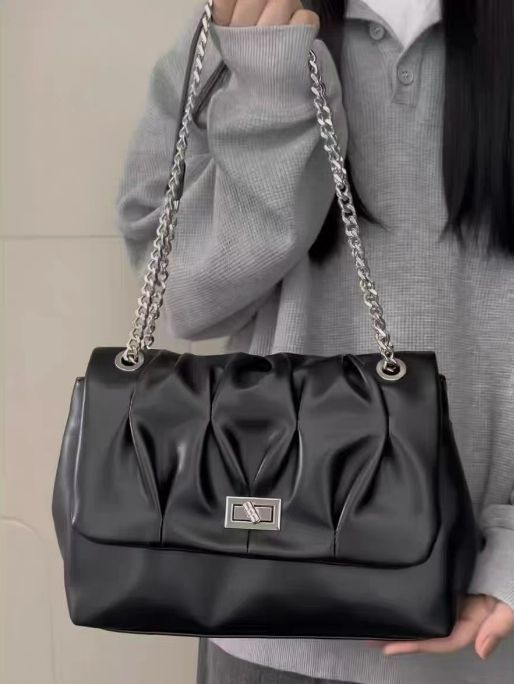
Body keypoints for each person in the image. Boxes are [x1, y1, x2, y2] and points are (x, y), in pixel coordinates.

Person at [116, 1, 514, 682]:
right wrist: (272, 97)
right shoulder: (242, 23)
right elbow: (183, 296)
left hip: (484, 626)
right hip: (263, 624)